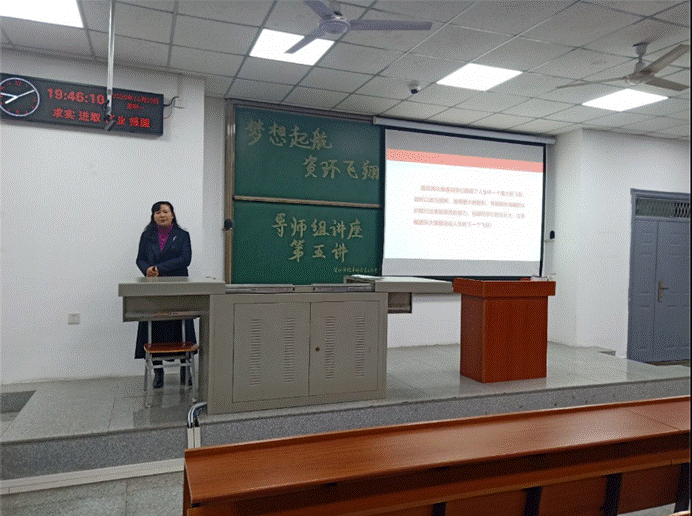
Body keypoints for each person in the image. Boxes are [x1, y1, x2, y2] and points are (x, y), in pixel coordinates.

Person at [135, 201, 196, 388]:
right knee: (154, 327)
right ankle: (158, 372)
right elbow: (140, 259)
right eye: (157, 212)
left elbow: (185, 259)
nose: (161, 215)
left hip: (177, 288)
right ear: (153, 216)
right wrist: (147, 269)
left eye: (165, 211)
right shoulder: (147, 236)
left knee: (182, 327)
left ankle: (185, 371)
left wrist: (158, 268)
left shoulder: (182, 235)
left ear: (172, 215)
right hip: (154, 288)